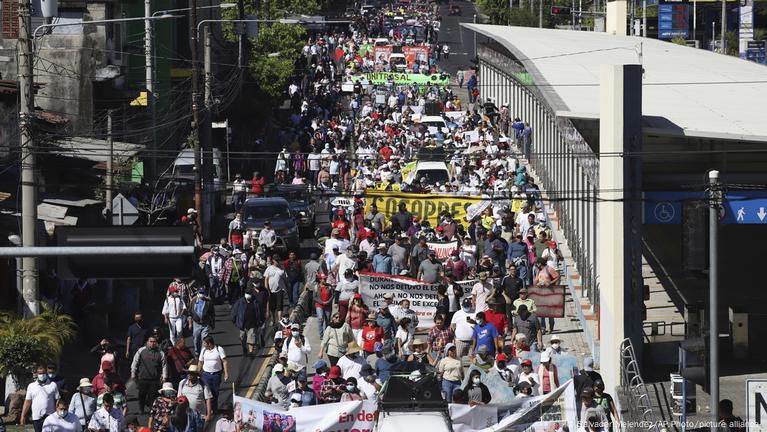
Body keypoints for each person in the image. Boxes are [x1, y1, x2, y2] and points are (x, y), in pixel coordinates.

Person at [131, 336, 168, 414]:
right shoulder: (141, 351)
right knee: (141, 395)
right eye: (151, 341)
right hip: (143, 378)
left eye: (154, 341)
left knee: (153, 396)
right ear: (147, 342)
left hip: (154, 379)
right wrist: (133, 373)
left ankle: (152, 410)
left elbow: (164, 365)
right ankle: (141, 409)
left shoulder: (160, 353)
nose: (152, 343)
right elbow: (135, 363)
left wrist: (164, 377)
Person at [197, 336, 228, 414]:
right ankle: (208, 409)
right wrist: (197, 373)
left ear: (209, 343)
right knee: (206, 392)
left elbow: (224, 361)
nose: (203, 345)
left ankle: (214, 408)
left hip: (216, 375)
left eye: (204, 343)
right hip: (206, 375)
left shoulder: (219, 349)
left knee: (215, 392)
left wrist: (226, 373)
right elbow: (200, 362)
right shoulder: (203, 350)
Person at [231, 289, 264, 357]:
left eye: (250, 294)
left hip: (252, 324)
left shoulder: (256, 302)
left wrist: (261, 321)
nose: (248, 295)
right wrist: (233, 320)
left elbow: (260, 312)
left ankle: (251, 352)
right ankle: (244, 348)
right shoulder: (240, 302)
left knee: (251, 339)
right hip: (242, 325)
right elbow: (234, 311)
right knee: (242, 338)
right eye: (247, 293)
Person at [188, 289, 215, 356]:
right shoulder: (193, 301)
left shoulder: (208, 302)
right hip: (196, 324)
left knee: (204, 339)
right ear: (197, 293)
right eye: (200, 292)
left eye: (203, 293)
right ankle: (197, 352)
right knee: (196, 339)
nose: (201, 294)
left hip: (205, 324)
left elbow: (212, 314)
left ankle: (203, 354)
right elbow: (190, 313)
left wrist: (213, 324)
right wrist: (190, 323)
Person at [264, 257, 288, 325]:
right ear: (273, 261)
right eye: (276, 260)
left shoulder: (282, 269)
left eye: (278, 260)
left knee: (279, 306)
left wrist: (287, 289)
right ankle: (273, 319)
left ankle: (279, 320)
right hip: (271, 291)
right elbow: (266, 278)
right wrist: (266, 289)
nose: (277, 262)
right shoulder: (269, 268)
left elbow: (285, 279)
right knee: (272, 307)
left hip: (279, 290)